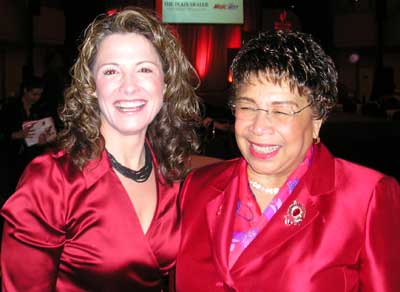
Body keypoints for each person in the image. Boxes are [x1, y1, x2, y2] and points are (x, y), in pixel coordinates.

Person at [175, 30, 400, 291]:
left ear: (317, 119)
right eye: (247, 107)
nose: (259, 127)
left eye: (281, 110)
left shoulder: (367, 197)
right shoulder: (198, 187)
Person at [1, 7, 200, 292]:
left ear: (165, 83)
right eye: (111, 71)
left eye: (144, 69)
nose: (129, 87)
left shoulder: (172, 176)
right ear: (92, 86)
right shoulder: (52, 182)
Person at [0, 76, 55, 195]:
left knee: (32, 191)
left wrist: (44, 140)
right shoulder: (10, 108)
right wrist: (17, 135)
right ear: (25, 90)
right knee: (13, 191)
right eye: (34, 94)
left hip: (33, 157)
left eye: (39, 94)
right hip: (13, 159)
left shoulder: (40, 108)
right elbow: (3, 133)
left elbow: (44, 132)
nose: (36, 98)